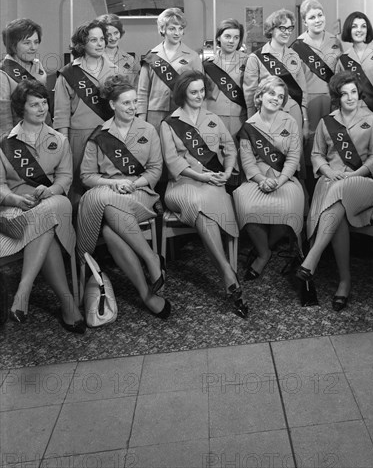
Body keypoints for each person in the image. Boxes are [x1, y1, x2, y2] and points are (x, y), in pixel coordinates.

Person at [77, 75, 169, 319]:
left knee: (107, 209)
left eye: (134, 102)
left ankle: (149, 268)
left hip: (141, 194)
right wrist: (114, 183)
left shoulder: (148, 130)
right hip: (111, 193)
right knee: (108, 227)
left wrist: (133, 183)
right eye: (126, 103)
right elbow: (87, 176)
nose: (132, 108)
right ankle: (148, 281)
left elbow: (155, 170)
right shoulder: (100, 135)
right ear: (112, 105)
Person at [160, 70, 248, 318]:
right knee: (199, 201)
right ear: (182, 94)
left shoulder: (213, 118)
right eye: (193, 92)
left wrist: (228, 170)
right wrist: (202, 176)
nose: (199, 96)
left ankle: (227, 277)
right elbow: (172, 162)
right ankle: (227, 271)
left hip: (214, 183)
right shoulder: (169, 123)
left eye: (202, 91)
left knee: (204, 207)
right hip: (182, 186)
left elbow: (229, 148)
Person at [0, 80, 84, 333]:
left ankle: (23, 290)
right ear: (21, 109)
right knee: (47, 226)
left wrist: (51, 190)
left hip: (50, 203)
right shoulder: (5, 143)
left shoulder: (59, 139)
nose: (41, 109)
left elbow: (65, 178)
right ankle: (68, 305)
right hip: (17, 212)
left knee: (54, 204)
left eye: (44, 102)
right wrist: (14, 199)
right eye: (34, 104)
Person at [296, 71, 373, 311]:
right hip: (331, 181)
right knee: (338, 211)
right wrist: (327, 170)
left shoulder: (371, 119)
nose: (350, 97)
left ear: (359, 93)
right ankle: (345, 281)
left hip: (362, 182)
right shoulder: (327, 121)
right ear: (337, 96)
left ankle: (312, 257)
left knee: (341, 191)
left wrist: (354, 175)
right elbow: (316, 155)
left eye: (354, 92)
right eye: (344, 94)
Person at [234, 76, 304, 281]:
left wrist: (280, 180)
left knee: (289, 207)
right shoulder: (249, 125)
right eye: (271, 93)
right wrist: (261, 180)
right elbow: (247, 162)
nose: (276, 99)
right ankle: (264, 253)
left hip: (285, 177)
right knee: (245, 206)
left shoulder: (289, 122)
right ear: (260, 95)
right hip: (256, 179)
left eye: (280, 96)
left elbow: (293, 157)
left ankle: (267, 247)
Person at [53, 19, 118, 201]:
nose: (100, 44)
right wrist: (64, 145)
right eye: (93, 40)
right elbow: (61, 115)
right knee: (78, 186)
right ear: (82, 44)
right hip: (78, 136)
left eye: (102, 39)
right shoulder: (68, 74)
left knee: (107, 182)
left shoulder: (114, 70)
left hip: (109, 134)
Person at [291, 0, 342, 195]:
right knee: (313, 146)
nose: (318, 20)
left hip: (334, 101)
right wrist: (303, 114)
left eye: (320, 15)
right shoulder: (297, 46)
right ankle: (313, 194)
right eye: (312, 17)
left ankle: (333, 189)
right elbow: (297, 82)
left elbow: (341, 73)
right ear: (305, 21)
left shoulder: (335, 42)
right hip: (310, 102)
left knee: (334, 144)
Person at [243, 9, 308, 145]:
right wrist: (251, 123)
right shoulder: (255, 58)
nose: (287, 32)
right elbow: (250, 96)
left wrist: (305, 120)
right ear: (271, 29)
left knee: (295, 154)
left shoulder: (295, 56)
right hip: (269, 113)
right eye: (282, 27)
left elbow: (303, 91)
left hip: (294, 112)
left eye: (290, 28)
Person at [137, 8, 204, 131]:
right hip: (155, 113)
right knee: (155, 148)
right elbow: (142, 91)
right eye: (172, 28)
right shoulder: (151, 56)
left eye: (180, 29)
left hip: (183, 111)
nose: (177, 33)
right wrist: (141, 119)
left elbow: (200, 90)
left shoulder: (193, 56)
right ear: (163, 29)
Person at [335, 12, 373, 136]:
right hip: (351, 117)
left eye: (363, 26)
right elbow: (337, 93)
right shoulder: (343, 59)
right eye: (354, 26)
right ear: (348, 30)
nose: (359, 30)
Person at [0, 19, 51, 137]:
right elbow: (4, 118)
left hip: (43, 134)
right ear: (12, 45)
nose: (33, 47)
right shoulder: (3, 72)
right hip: (18, 139)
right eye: (27, 43)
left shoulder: (39, 67)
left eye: (36, 42)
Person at [203, 18, 248, 140]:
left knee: (239, 156)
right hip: (213, 116)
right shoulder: (208, 65)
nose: (231, 41)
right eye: (227, 36)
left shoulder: (249, 61)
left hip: (239, 117)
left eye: (236, 37)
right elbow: (203, 95)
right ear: (218, 37)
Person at [97, 13, 141, 86]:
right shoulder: (93, 57)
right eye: (108, 35)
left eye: (116, 33)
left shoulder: (130, 60)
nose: (113, 38)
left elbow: (136, 87)